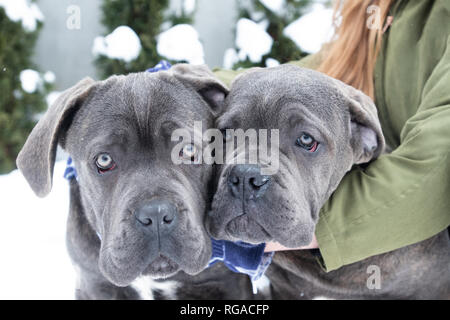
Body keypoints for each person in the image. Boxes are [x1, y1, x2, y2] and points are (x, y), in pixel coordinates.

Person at [213, 0, 450, 272]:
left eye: (305, 140)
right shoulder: (377, 8)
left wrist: (286, 222)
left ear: (367, 144)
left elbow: (433, 170)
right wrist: (184, 85)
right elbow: (309, 77)